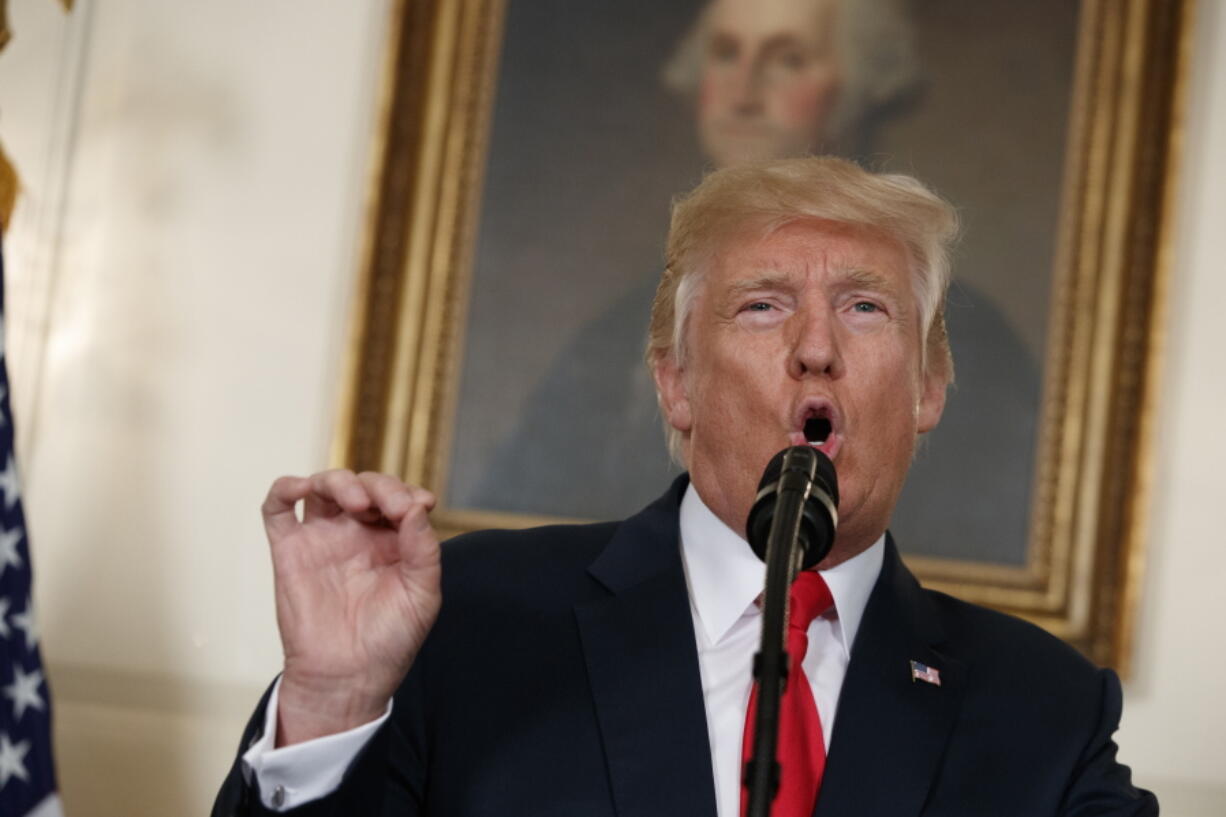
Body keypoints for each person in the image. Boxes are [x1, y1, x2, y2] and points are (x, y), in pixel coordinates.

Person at [213, 157, 1153, 816]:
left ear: (929, 388)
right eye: (762, 305)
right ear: (675, 381)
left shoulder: (1043, 709)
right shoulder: (466, 621)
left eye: (865, 306)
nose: (816, 348)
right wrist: (332, 706)